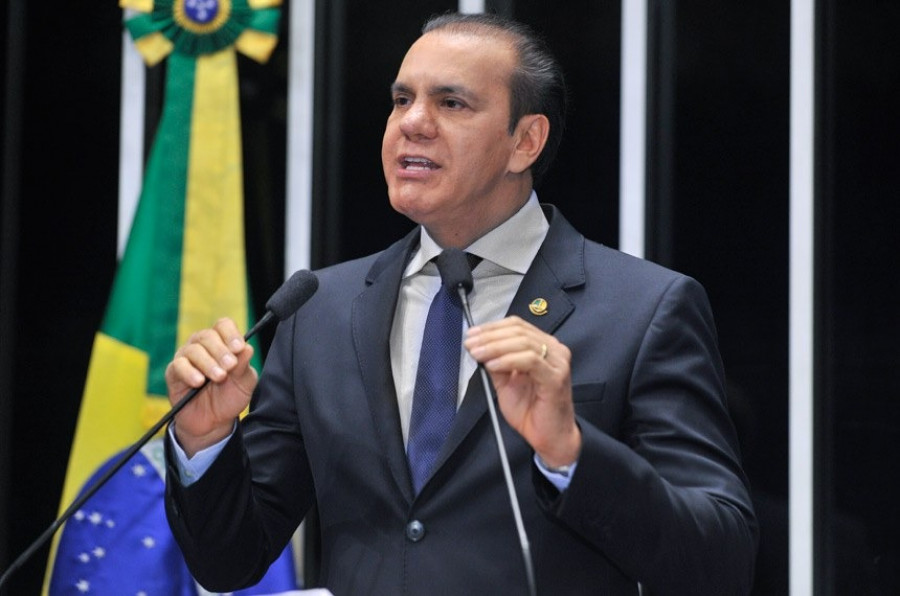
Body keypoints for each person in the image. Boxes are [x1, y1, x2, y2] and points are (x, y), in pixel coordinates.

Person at [163, 12, 757, 595]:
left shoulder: (644, 309)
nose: (412, 123)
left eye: (451, 103)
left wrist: (572, 454)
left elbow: (720, 561)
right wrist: (205, 441)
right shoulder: (320, 312)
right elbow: (229, 561)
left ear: (525, 141)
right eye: (401, 99)